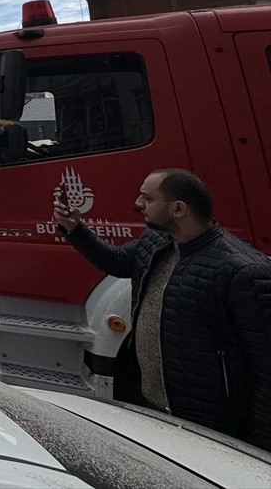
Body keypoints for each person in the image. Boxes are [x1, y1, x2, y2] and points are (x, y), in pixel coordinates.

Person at [54, 168, 270, 450]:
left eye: (148, 198)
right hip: (154, 409)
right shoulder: (156, 241)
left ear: (178, 209)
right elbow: (116, 262)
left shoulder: (243, 272)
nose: (138, 204)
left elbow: (266, 370)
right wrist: (75, 229)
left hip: (210, 429)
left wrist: (257, 450)